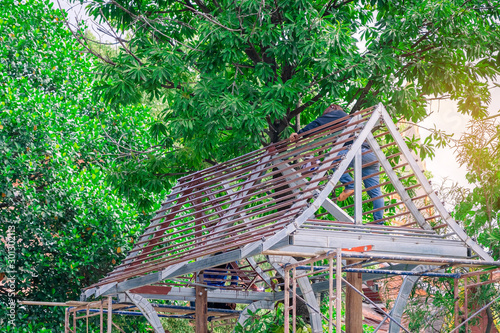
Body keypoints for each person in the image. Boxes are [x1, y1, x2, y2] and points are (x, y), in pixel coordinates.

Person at [289, 104, 384, 223]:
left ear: (332, 108)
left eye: (326, 114)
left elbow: (318, 124)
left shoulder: (337, 114)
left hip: (360, 152)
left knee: (333, 159)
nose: (326, 116)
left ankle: (349, 185)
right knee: (375, 192)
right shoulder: (347, 123)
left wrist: (300, 134)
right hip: (371, 155)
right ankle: (379, 224)